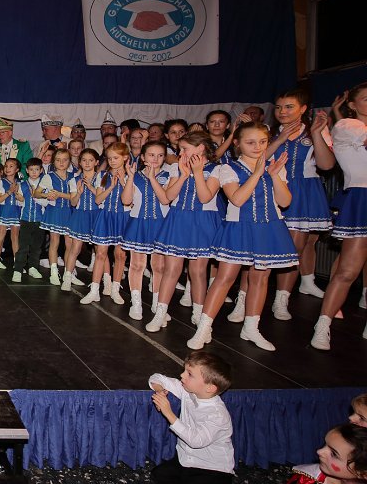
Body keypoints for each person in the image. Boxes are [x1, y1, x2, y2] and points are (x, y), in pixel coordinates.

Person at [187, 122, 297, 351]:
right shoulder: (228, 168)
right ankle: (204, 328)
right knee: (225, 278)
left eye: (263, 142)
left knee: (260, 278)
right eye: (250, 142)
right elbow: (237, 199)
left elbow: (285, 201)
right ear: (237, 143)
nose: (258, 147)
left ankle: (251, 328)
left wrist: (274, 176)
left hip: (268, 228)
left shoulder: (274, 166)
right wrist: (257, 174)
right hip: (239, 228)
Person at [267, 90, 335, 321]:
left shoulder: (315, 131)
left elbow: (326, 165)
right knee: (291, 245)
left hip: (305, 190)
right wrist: (279, 140)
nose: (282, 112)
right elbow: (256, 161)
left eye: (289, 107)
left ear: (303, 109)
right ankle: (276, 295)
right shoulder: (269, 132)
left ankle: (290, 293)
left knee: (305, 242)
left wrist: (316, 133)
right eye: (279, 107)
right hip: (277, 188)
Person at [311, 82, 367, 350]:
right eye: (366, 99)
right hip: (361, 198)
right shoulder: (347, 126)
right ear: (352, 105)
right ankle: (323, 325)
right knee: (347, 270)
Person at [149, 132, 223, 332]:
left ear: (200, 148)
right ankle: (160, 313)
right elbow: (167, 197)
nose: (180, 153)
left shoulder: (217, 169)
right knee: (171, 270)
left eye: (184, 149)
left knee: (198, 271)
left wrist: (197, 173)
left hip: (202, 222)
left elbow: (205, 197)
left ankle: (199, 315)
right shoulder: (177, 167)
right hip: (179, 219)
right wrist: (183, 175)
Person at [149, 351, 237, 484]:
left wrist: (169, 413)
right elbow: (156, 378)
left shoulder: (217, 414)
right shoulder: (189, 391)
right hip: (187, 462)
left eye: (189, 374)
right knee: (159, 475)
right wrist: (160, 391)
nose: (182, 375)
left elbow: (196, 441)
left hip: (213, 470)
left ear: (210, 388)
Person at [121, 141, 172, 321]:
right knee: (137, 265)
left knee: (159, 266)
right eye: (151, 155)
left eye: (160, 155)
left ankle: (158, 305)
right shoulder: (134, 176)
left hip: (161, 224)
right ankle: (136, 304)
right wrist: (129, 177)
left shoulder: (169, 175)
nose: (155, 159)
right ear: (142, 157)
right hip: (139, 224)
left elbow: (165, 200)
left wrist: (152, 178)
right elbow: (126, 200)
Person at [81, 143, 130, 305]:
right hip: (106, 216)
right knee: (100, 253)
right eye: (109, 158)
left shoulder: (131, 176)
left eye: (116, 158)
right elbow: (98, 199)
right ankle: (94, 290)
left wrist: (123, 182)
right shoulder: (102, 175)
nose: (112, 161)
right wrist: (111, 187)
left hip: (123, 217)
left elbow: (130, 200)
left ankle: (115, 289)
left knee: (120, 255)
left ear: (125, 158)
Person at [282, 423, 367, 484]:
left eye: (334, 454)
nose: (319, 451)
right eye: (325, 444)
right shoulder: (310, 482)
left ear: (362, 473)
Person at [63, 149, 102, 291]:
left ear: (96, 162)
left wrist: (91, 187)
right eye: (84, 160)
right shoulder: (74, 180)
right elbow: (73, 203)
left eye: (90, 160)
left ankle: (105, 282)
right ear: (79, 162)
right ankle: (67, 277)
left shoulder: (101, 178)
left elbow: (101, 198)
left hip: (97, 215)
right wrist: (79, 193)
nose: (87, 163)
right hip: (80, 215)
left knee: (100, 250)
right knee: (75, 248)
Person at [40, 148, 75, 285]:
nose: (61, 162)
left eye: (65, 160)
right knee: (54, 242)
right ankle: (54, 273)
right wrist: (47, 194)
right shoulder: (49, 176)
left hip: (70, 212)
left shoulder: (74, 176)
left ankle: (68, 272)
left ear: (69, 161)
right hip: (55, 211)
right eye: (58, 160)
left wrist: (60, 194)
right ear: (53, 161)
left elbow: (74, 197)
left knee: (70, 244)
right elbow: (37, 192)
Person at [13, 157, 48, 283]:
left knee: (36, 247)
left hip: (40, 220)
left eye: (36, 169)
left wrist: (36, 197)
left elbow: (46, 203)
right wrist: (21, 200)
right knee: (23, 246)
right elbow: (18, 203)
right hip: (25, 220)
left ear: (41, 170)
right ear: (27, 170)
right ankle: (18, 269)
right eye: (31, 169)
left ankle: (33, 267)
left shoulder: (44, 186)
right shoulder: (22, 185)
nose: (34, 172)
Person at [0, 158, 22, 276]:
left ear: (17, 169)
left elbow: (22, 200)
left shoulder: (20, 183)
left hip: (15, 212)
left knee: (15, 238)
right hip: (4, 211)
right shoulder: (0, 182)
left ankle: (17, 265)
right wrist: (9, 192)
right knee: (0, 237)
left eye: (11, 166)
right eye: (6, 166)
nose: (8, 168)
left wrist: (18, 195)